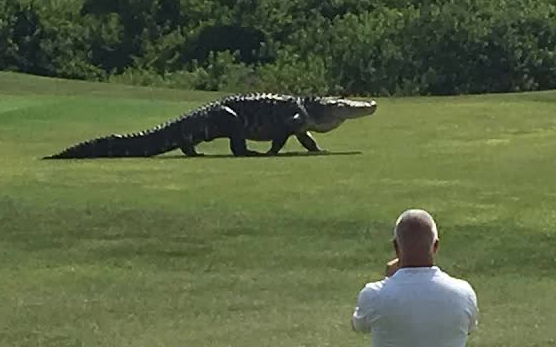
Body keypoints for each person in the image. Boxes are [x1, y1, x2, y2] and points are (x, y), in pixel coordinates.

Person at [351, 209, 479, 347]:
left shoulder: (373, 295)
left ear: (396, 247)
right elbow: (470, 328)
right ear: (435, 246)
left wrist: (388, 280)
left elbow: (359, 325)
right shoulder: (464, 293)